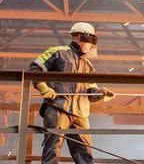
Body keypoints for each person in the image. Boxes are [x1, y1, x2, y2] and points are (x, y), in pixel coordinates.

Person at [29, 22, 115, 164]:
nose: (91, 45)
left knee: (85, 153)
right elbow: (34, 69)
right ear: (80, 37)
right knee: (53, 148)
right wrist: (44, 88)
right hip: (58, 107)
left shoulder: (87, 65)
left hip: (80, 113)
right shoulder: (57, 52)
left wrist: (101, 93)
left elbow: (91, 93)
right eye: (90, 40)